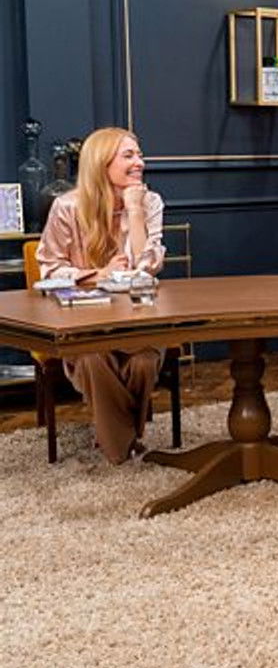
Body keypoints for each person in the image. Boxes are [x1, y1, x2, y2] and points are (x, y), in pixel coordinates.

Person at [36, 127, 166, 465]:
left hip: (138, 319)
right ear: (101, 162)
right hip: (84, 321)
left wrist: (134, 210)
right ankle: (122, 447)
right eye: (129, 155)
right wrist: (99, 274)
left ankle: (113, 439)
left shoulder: (149, 202)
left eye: (139, 155)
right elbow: (49, 268)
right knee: (93, 358)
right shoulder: (67, 207)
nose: (140, 162)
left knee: (143, 361)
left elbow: (148, 266)